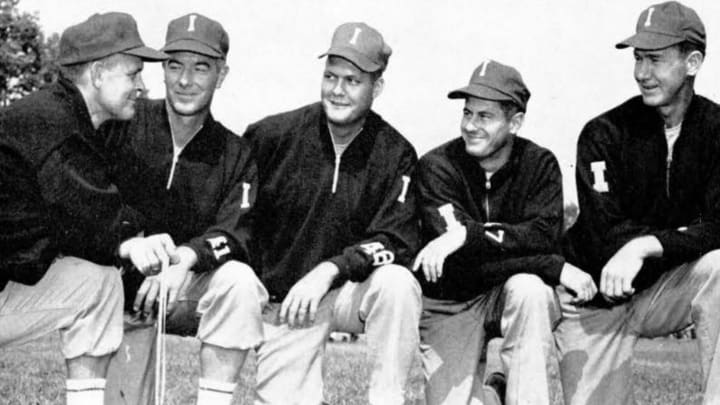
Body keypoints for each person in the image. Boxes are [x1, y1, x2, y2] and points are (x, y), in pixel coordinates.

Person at [241, 22, 422, 405]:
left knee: (397, 284)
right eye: (330, 77)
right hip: (289, 299)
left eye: (353, 80)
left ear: (378, 87)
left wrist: (331, 269)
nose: (337, 90)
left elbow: (398, 241)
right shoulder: (272, 136)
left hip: (351, 292)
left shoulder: (395, 153)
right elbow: (240, 219)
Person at [557, 2, 720, 404]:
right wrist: (676, 238)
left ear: (693, 61)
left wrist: (646, 245)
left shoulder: (716, 130)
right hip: (594, 301)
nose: (642, 73)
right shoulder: (604, 132)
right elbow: (603, 230)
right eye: (638, 58)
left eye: (656, 59)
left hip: (665, 289)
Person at [0, 12, 167, 405]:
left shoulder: (70, 120)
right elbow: (95, 220)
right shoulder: (50, 124)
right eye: (133, 74)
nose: (142, 87)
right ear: (97, 74)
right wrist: (131, 241)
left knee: (97, 282)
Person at [100, 14, 257, 405]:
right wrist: (133, 243)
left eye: (200, 67)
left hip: (183, 290)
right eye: (174, 65)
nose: (185, 80)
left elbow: (235, 232)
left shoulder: (235, 153)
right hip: (114, 291)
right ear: (162, 69)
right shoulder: (123, 122)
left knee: (238, 282)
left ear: (221, 75)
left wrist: (185, 258)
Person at [413, 60, 570, 405]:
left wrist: (469, 236)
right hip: (452, 301)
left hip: (511, 293)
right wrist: (550, 264)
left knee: (531, 290)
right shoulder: (436, 165)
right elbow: (456, 262)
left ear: (514, 122)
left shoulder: (539, 164)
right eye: (467, 113)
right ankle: (492, 395)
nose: (470, 125)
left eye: (485, 116)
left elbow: (545, 236)